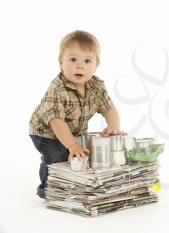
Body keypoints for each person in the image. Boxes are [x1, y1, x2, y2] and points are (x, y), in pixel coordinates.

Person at [29, 30, 127, 198]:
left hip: (73, 132)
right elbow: (56, 122)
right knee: (58, 156)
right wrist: (72, 146)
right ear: (61, 62)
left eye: (87, 61)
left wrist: (113, 127)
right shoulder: (57, 88)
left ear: (96, 65)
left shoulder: (96, 86)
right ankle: (47, 188)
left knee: (83, 155)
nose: (79, 66)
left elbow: (109, 109)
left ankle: (73, 183)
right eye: (73, 59)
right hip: (46, 133)